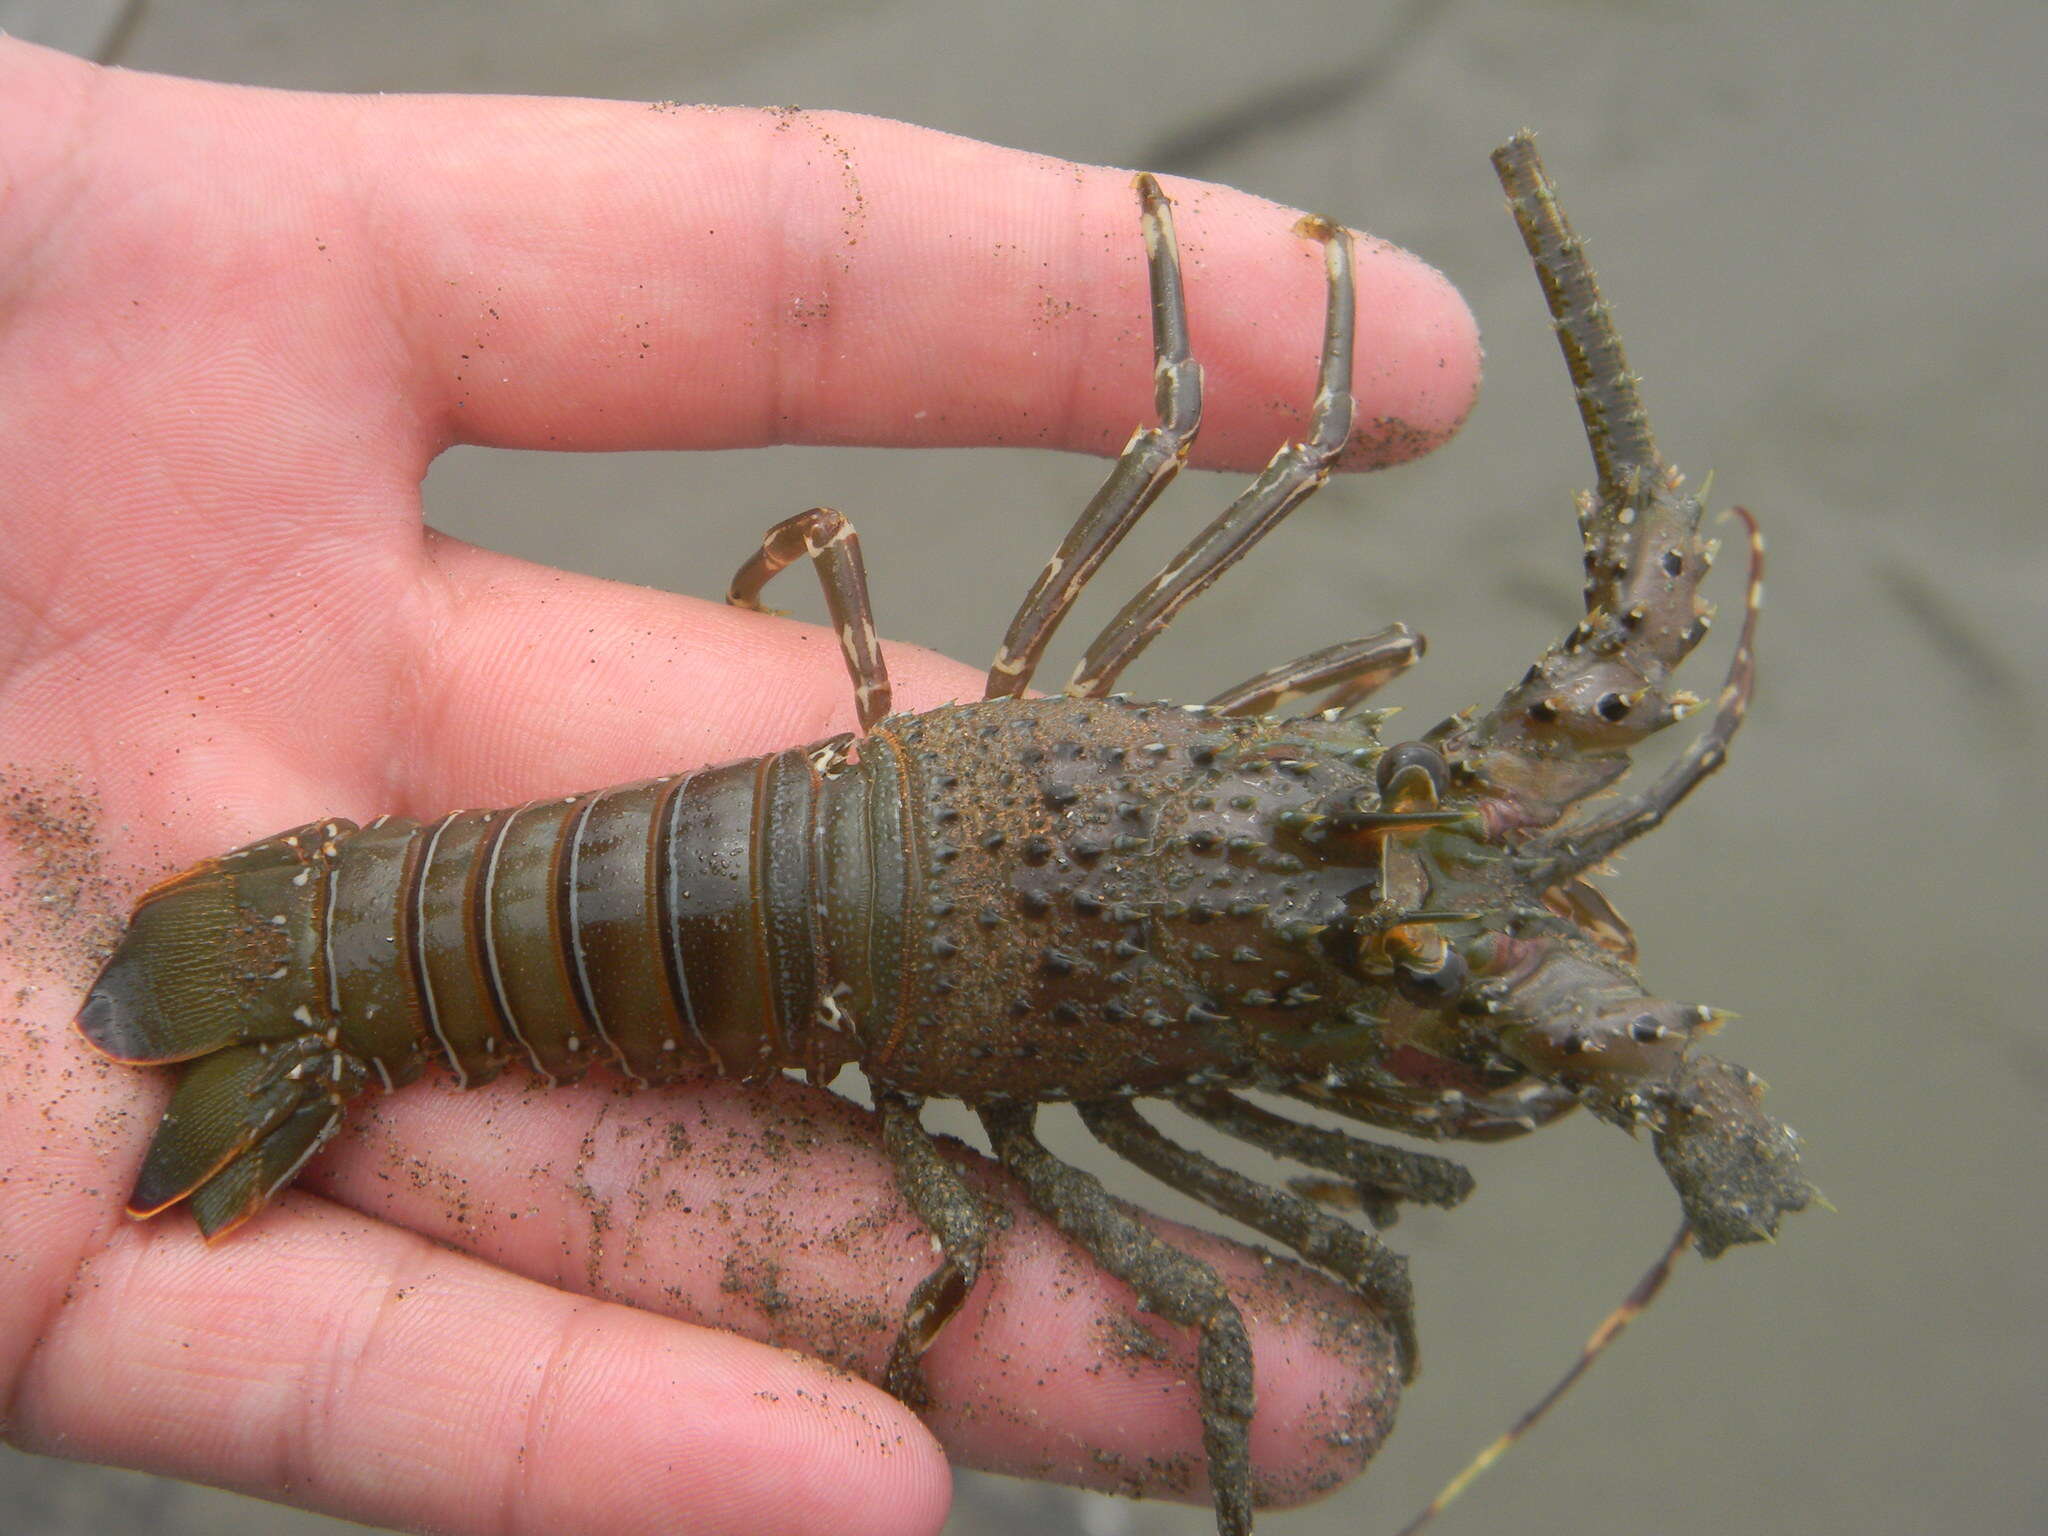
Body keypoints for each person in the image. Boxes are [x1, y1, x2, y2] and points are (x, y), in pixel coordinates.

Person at [0, 37, 1481, 1536]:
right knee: (1211, 1321)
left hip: (509, 905)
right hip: (492, 943)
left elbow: (1182, 434)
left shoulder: (1258, 728)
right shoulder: (1281, 1000)